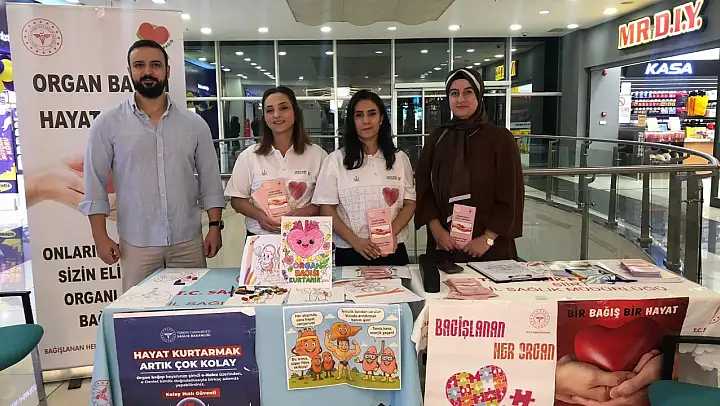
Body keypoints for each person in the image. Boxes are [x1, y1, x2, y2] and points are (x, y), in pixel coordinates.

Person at [80, 40, 225, 292]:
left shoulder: (194, 125)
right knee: (139, 312)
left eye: (155, 65)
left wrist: (214, 226)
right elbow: (95, 183)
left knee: (191, 309)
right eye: (139, 65)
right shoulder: (108, 124)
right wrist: (100, 236)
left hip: (188, 242)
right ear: (129, 71)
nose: (147, 72)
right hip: (137, 244)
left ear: (167, 70)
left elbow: (210, 179)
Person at [415, 68, 524, 264]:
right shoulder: (438, 138)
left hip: (490, 249)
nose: (460, 99)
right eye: (454, 93)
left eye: (468, 92)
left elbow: (511, 195)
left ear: (479, 95)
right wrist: (436, 230)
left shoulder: (500, 140)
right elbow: (424, 187)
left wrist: (487, 238)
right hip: (445, 245)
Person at [313, 90, 416, 266]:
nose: (366, 121)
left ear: (381, 118)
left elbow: (409, 203)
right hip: (350, 251)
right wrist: (356, 241)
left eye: (372, 114)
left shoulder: (400, 159)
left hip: (392, 249)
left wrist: (389, 234)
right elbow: (326, 208)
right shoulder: (335, 160)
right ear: (352, 121)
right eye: (359, 115)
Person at [224, 86, 327, 236]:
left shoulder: (318, 155)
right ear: (265, 118)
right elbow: (237, 200)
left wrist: (307, 211)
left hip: (305, 238)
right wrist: (260, 216)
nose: (277, 115)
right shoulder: (249, 156)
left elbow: (327, 202)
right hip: (261, 239)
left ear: (295, 112)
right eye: (269, 110)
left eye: (283, 108)